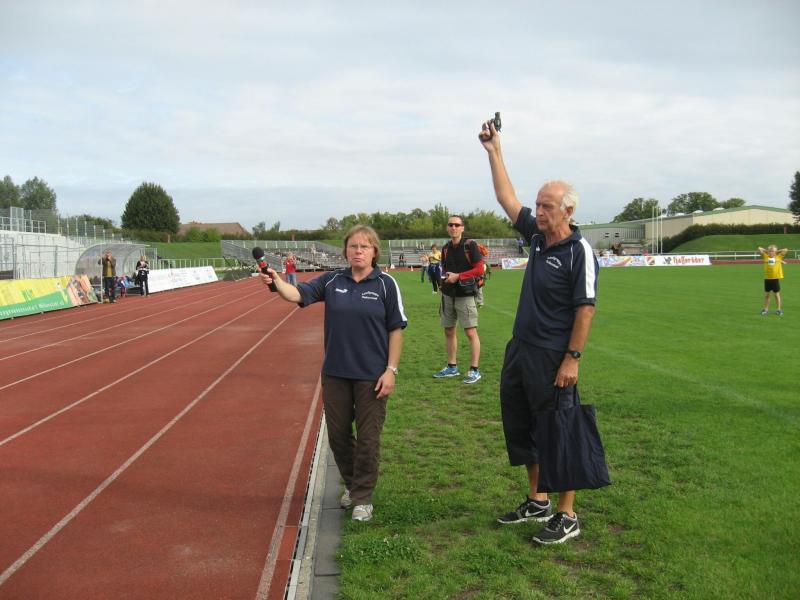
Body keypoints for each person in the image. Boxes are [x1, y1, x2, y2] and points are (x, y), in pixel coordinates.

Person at [479, 117, 599, 545]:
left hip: (553, 356)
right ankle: (538, 499)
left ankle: (567, 514)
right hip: (521, 349)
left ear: (568, 211)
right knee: (523, 425)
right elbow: (505, 198)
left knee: (559, 430)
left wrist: (572, 359)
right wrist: (495, 151)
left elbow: (586, 308)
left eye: (547, 206)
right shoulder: (535, 237)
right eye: (538, 205)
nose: (539, 212)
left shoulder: (578, 250)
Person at [260, 225, 407, 522]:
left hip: (372, 376)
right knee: (338, 437)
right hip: (336, 373)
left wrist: (391, 370)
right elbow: (296, 294)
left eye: (364, 246)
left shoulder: (386, 284)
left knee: (368, 439)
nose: (358, 251)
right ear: (345, 251)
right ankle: (353, 485)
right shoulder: (332, 280)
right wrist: (276, 281)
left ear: (374, 251)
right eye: (353, 246)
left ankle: (363, 498)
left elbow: (396, 329)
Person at [432, 214, 483, 385]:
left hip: (465, 294)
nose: (453, 227)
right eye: (450, 225)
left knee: (470, 332)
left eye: (457, 225)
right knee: (449, 330)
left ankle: (474, 370)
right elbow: (444, 268)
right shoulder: (446, 248)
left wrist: (458, 276)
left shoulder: (470, 245)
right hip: (448, 294)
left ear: (462, 228)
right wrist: (443, 279)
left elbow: (479, 269)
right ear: (447, 228)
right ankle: (452, 367)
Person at [758, 244, 787, 315]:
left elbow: (785, 250)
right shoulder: (765, 256)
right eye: (770, 251)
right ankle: (765, 309)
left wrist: (777, 251)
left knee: (776, 295)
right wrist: (767, 251)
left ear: (775, 252)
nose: (771, 252)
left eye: (773, 251)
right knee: (767, 295)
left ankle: (778, 309)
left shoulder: (778, 257)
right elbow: (759, 248)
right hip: (767, 279)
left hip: (775, 279)